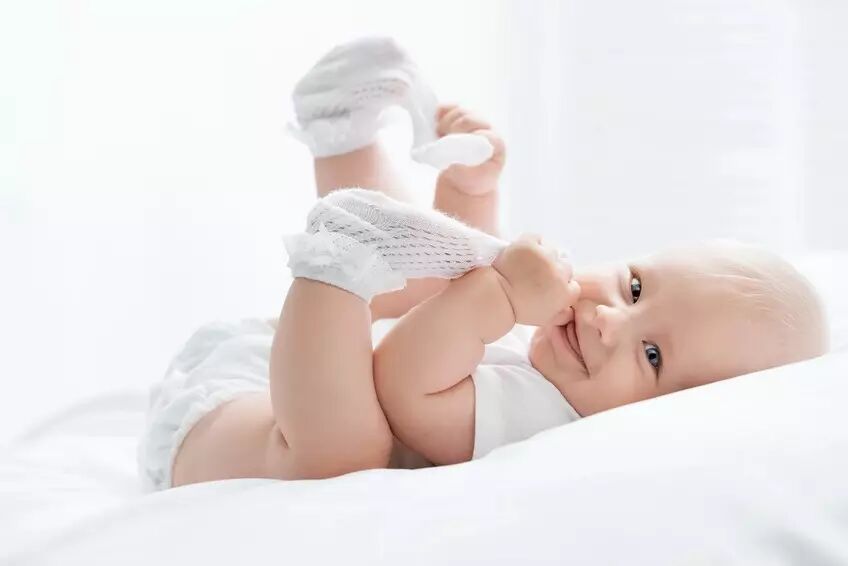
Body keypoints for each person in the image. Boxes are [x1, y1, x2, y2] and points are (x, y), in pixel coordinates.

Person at [137, 37, 829, 491]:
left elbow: (403, 378)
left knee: (339, 459)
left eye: (652, 355)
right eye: (636, 286)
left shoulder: (554, 422)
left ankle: (339, 247)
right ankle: (344, 137)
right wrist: (473, 194)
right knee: (421, 294)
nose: (609, 318)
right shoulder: (565, 360)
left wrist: (498, 293)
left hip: (226, 430)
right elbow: (447, 307)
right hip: (280, 371)